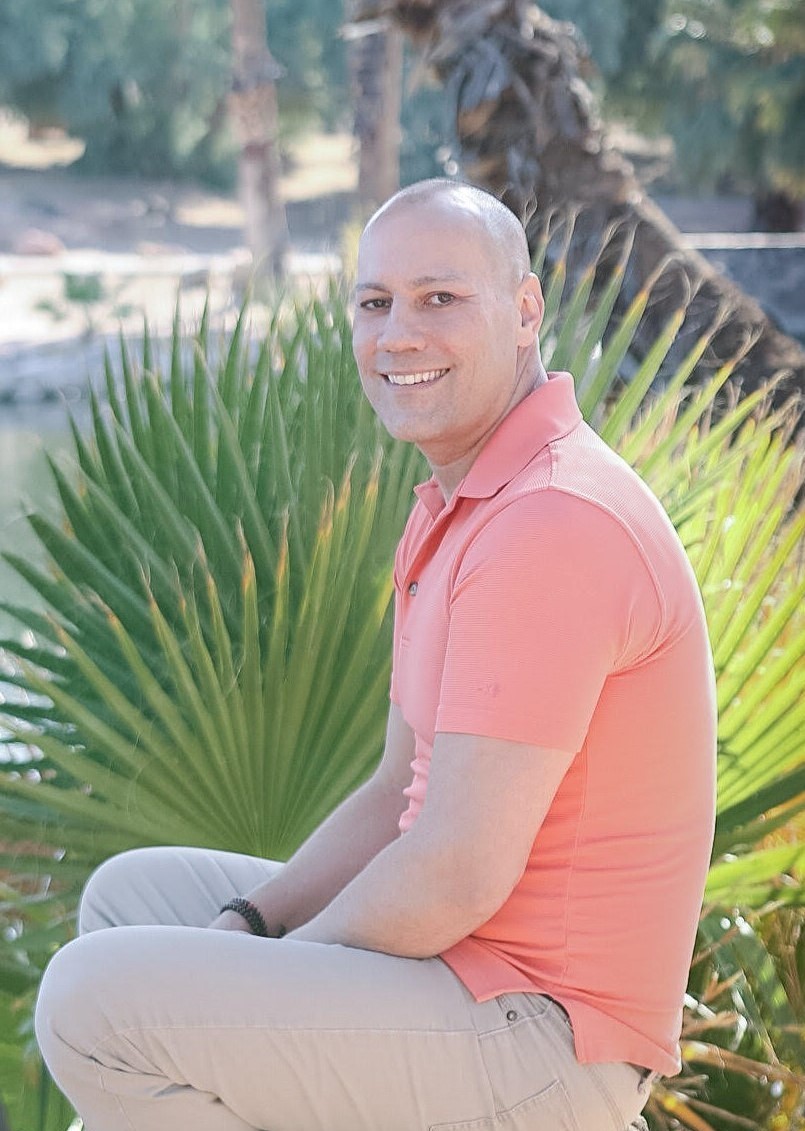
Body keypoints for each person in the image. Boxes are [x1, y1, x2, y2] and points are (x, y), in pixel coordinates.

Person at [35, 179, 717, 1131]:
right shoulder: (459, 505)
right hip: (457, 975)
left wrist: (270, 978)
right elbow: (398, 791)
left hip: (541, 1040)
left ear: (525, 312)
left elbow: (456, 869)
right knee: (131, 897)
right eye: (375, 302)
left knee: (90, 1000)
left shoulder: (551, 520)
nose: (399, 333)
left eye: (440, 298)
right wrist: (253, 924)